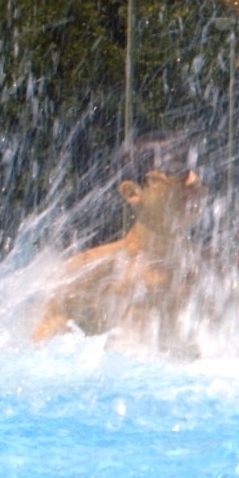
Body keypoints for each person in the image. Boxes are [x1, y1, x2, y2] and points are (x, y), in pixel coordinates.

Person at [34, 132, 202, 346]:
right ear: (132, 192)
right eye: (176, 170)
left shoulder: (219, 273)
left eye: (197, 170)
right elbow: (41, 352)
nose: (194, 180)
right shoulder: (89, 274)